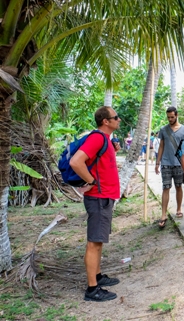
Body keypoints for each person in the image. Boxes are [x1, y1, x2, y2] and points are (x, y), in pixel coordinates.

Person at [69, 106, 122, 301]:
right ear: (106, 121)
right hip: (99, 197)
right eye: (116, 117)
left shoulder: (105, 140)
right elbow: (76, 162)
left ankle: (97, 276)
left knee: (98, 240)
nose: (119, 120)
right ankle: (92, 289)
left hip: (104, 197)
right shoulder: (97, 138)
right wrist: (91, 181)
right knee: (94, 242)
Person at [155, 107, 184, 228]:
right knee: (166, 187)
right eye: (168, 117)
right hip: (166, 163)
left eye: (172, 117)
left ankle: (179, 209)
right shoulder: (163, 130)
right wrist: (157, 162)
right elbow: (161, 147)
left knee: (179, 186)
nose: (170, 119)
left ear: (176, 115)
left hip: (179, 164)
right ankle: (163, 214)